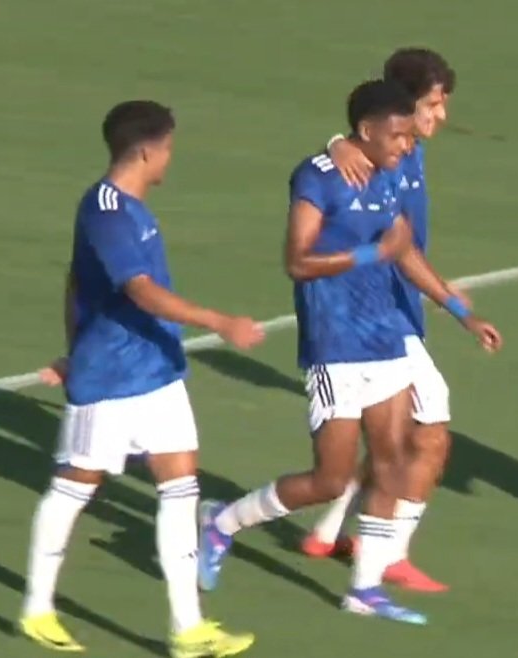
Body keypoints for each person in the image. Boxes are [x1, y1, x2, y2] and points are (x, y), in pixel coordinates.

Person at [196, 79, 499, 625]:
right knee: (330, 480)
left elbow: (403, 251)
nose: (407, 145)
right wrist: (367, 253)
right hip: (335, 347)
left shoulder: (385, 175)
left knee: (388, 462)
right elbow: (297, 261)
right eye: (400, 134)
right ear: (366, 130)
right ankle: (222, 522)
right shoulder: (317, 178)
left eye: (410, 135)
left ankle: (365, 589)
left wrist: (461, 312)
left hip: (385, 341)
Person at [20, 100, 262, 657]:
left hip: (156, 370)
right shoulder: (106, 210)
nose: (170, 159)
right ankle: (37, 610)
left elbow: (76, 282)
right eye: (169, 148)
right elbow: (139, 290)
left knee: (181, 487)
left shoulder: (134, 208)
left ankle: (188, 628)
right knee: (75, 486)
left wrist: (69, 345)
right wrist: (217, 321)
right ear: (148, 149)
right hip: (110, 377)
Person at [303, 47, 466, 593]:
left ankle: (328, 532)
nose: (441, 115)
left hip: (397, 306)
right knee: (431, 422)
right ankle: (389, 554)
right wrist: (337, 143)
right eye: (434, 104)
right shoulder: (385, 153)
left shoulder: (405, 150)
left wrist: (446, 296)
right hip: (375, 315)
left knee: (386, 433)